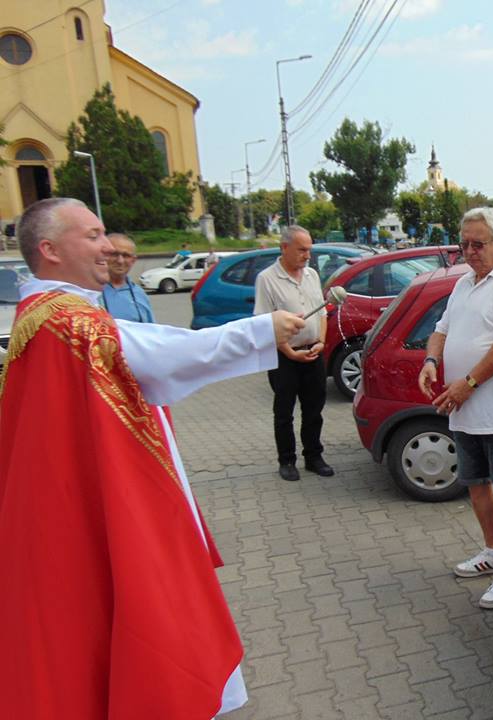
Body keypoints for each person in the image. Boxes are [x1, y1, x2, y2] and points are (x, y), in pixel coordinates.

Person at [0, 197, 305, 719]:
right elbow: (163, 352)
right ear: (49, 250)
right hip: (104, 499)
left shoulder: (45, 314)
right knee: (148, 601)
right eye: (92, 236)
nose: (108, 247)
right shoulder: (68, 321)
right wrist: (259, 331)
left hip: (66, 501)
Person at [417, 207, 493, 609]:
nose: (469, 251)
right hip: (464, 409)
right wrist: (431, 361)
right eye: (463, 244)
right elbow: (441, 330)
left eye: (477, 244)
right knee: (476, 483)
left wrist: (466, 385)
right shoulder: (464, 283)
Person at [254, 225, 334, 481]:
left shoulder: (311, 275)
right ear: (284, 247)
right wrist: (289, 352)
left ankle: (314, 456)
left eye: (309, 250)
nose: (307, 255)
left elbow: (322, 313)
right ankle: (287, 460)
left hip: (313, 352)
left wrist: (321, 341)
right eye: (302, 250)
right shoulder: (267, 279)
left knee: (314, 410)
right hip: (284, 358)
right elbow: (264, 323)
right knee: (284, 412)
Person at [101, 232, 155, 323]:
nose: (120, 261)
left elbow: (150, 329)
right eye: (114, 254)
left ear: (133, 260)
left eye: (126, 256)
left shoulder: (139, 294)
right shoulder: (90, 292)